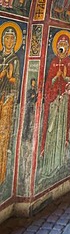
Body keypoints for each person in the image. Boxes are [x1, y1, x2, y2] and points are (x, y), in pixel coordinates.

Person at [40, 32, 70, 177]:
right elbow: (47, 83)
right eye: (61, 45)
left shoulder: (69, 63)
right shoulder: (53, 62)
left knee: (61, 129)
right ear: (57, 47)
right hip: (53, 101)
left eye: (65, 45)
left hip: (63, 101)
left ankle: (59, 161)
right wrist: (55, 77)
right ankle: (48, 163)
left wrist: (65, 77)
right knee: (51, 130)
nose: (63, 47)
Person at [0, 25, 20, 184]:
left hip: (7, 99)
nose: (9, 40)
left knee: (3, 135)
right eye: (6, 37)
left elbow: (16, 81)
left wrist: (10, 77)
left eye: (12, 38)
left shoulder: (14, 60)